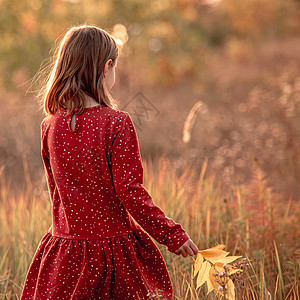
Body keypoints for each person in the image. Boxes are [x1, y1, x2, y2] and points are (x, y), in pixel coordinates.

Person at [20, 25, 198, 300]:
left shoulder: (49, 126)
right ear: (107, 67)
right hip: (111, 255)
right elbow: (130, 192)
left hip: (64, 255)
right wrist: (172, 234)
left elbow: (57, 195)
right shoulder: (117, 123)